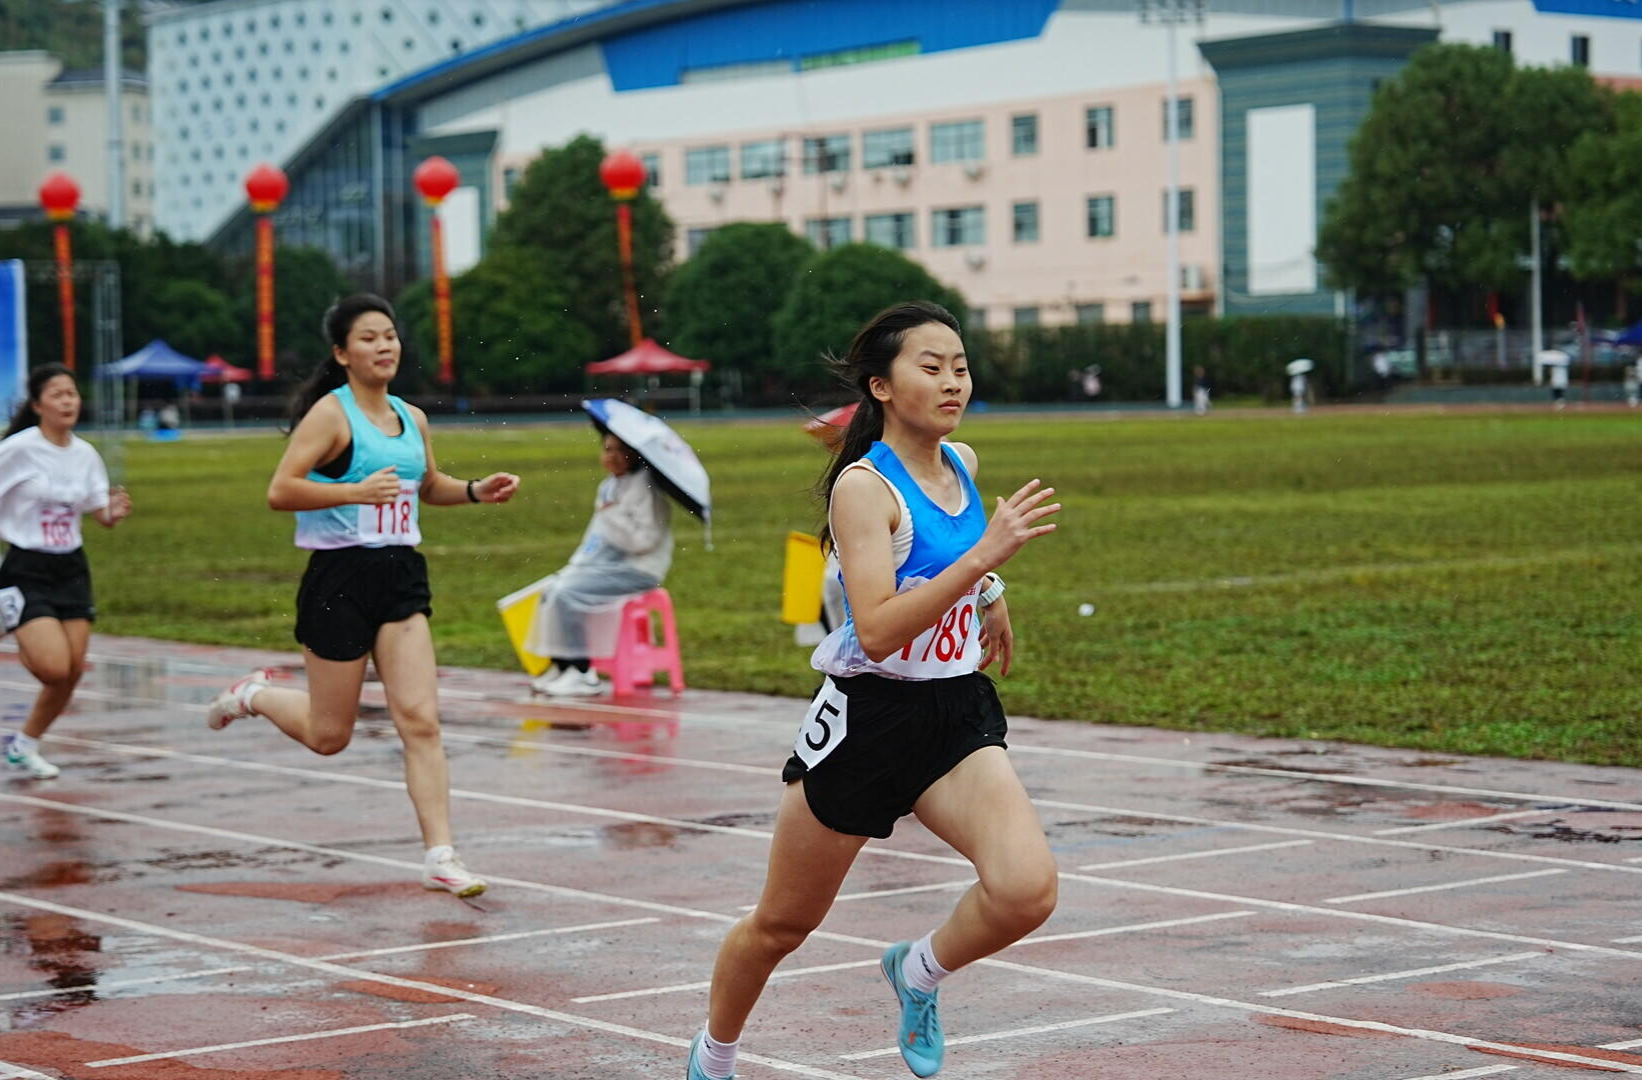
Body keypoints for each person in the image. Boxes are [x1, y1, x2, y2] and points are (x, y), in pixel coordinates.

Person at [685, 301, 1061, 1080]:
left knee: (1027, 891)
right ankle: (714, 1057)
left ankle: (917, 971)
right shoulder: (862, 490)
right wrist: (984, 557)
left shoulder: (962, 464)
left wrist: (988, 591)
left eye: (959, 366)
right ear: (881, 387)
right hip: (868, 722)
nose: (952, 381)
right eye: (931, 367)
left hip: (953, 710)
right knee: (781, 926)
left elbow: (952, 550)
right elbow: (881, 627)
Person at [205, 294, 519, 898]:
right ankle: (255, 695)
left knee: (421, 720)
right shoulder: (330, 415)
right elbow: (281, 490)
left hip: (400, 576)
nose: (384, 346)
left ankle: (440, 854)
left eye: (391, 336)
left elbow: (426, 486)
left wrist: (478, 490)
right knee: (330, 735)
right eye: (370, 338)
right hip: (337, 580)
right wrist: (351, 493)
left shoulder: (411, 416)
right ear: (342, 353)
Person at [0, 364, 132, 779]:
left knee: (71, 671)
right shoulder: (19, 449)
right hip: (26, 564)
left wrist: (112, 512)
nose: (67, 401)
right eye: (57, 394)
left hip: (71, 566)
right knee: (53, 667)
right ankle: (13, 618)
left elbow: (98, 513)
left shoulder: (85, 454)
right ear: (38, 405)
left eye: (72, 393)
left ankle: (25, 745)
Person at [527, 432, 673, 697]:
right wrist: (579, 564)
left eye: (620, 450)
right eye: (607, 449)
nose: (612, 457)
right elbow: (597, 537)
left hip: (637, 569)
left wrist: (612, 514)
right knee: (551, 589)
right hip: (606, 565)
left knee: (567, 593)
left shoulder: (644, 487)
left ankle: (583, 672)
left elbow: (644, 540)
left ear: (634, 454)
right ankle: (562, 664)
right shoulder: (611, 485)